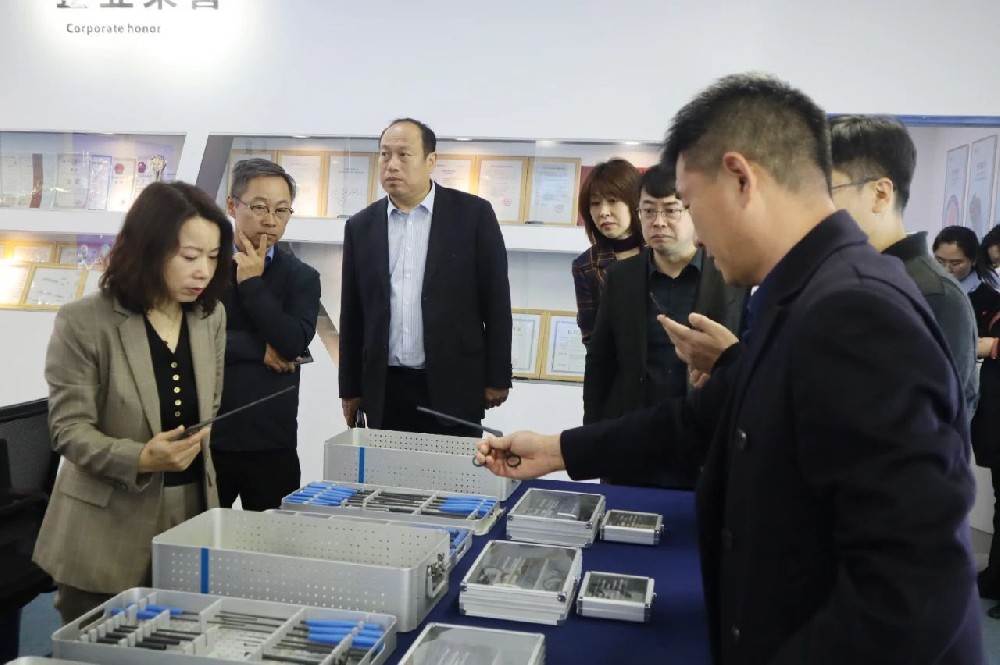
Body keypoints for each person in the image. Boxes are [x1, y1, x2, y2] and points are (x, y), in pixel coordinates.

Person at [477, 73, 984, 664]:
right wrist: (558, 449)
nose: (685, 229)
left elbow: (914, 588)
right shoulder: (802, 293)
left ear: (741, 178)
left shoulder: (854, 309)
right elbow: (700, 419)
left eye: (690, 205)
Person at [33, 181, 233, 624]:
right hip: (106, 526)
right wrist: (140, 457)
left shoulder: (210, 316)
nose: (203, 271)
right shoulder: (85, 321)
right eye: (190, 257)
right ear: (149, 250)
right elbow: (68, 430)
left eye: (213, 257)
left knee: (186, 639)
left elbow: (211, 403)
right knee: (101, 643)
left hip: (191, 513)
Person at [339, 118, 512, 434]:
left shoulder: (473, 216)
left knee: (453, 465)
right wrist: (349, 388)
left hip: (453, 384)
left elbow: (497, 302)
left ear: (430, 161)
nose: (391, 164)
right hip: (385, 388)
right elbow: (352, 314)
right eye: (384, 154)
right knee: (387, 465)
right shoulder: (360, 226)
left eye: (403, 154)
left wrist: (498, 376)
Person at [583, 164, 747, 488]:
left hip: (706, 443)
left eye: (671, 210)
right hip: (634, 441)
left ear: (693, 211)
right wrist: (592, 438)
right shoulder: (620, 277)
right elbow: (601, 361)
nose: (658, 222)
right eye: (648, 211)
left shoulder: (731, 276)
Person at [827, 116, 979, 418]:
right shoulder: (849, 277)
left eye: (826, 192)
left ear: (881, 194)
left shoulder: (934, 294)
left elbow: (940, 420)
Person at [210, 158, 320, 511]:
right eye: (259, 207)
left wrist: (252, 284)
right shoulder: (204, 267)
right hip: (207, 437)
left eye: (282, 210)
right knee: (195, 539)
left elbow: (292, 342)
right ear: (232, 206)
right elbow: (188, 338)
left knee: (275, 540)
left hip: (271, 441)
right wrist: (257, 349)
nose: (271, 220)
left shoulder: (302, 277)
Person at [571, 158, 643, 344]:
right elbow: (591, 334)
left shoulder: (659, 252)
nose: (603, 212)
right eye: (595, 203)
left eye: (612, 201)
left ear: (635, 202)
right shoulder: (586, 265)